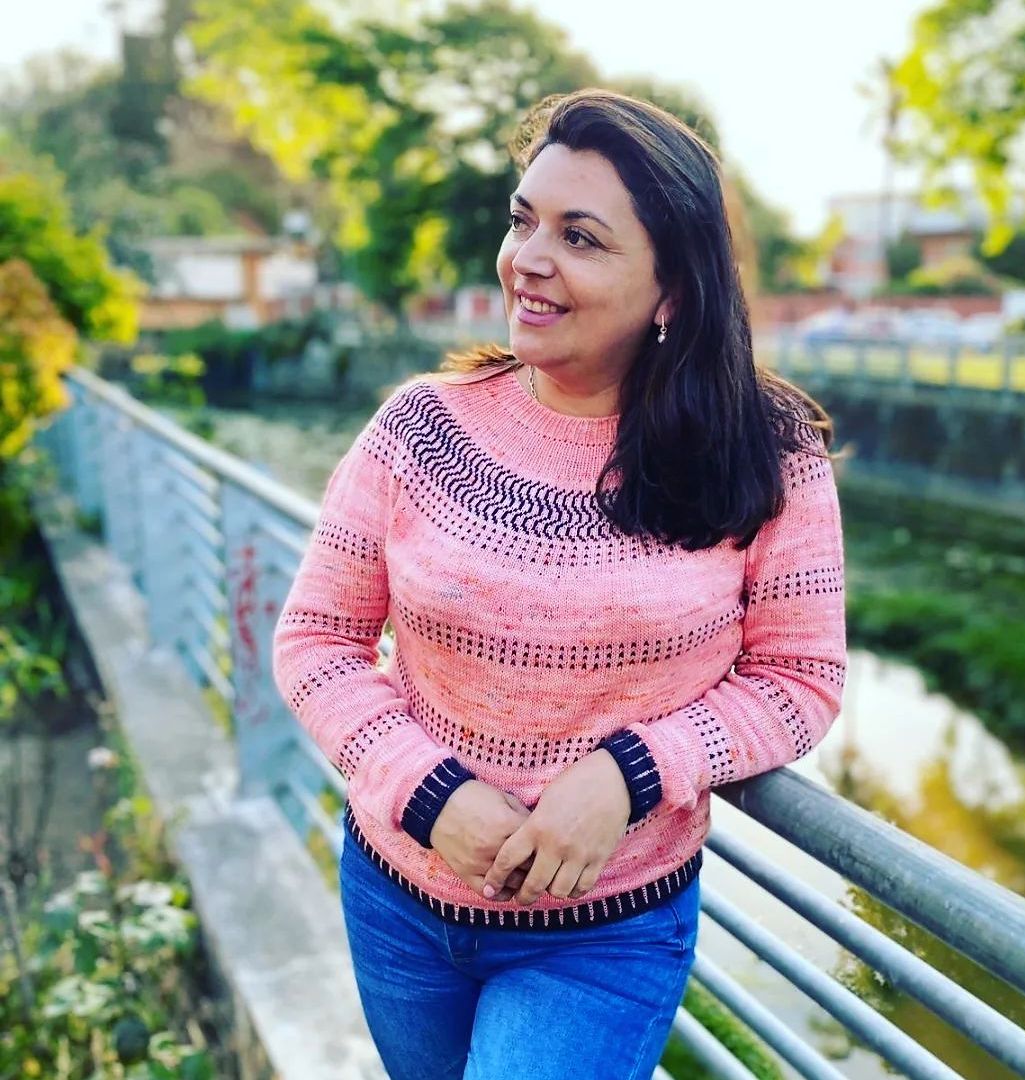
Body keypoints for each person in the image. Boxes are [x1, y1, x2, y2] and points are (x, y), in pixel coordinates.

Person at [271, 88, 846, 1080]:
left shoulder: (767, 452)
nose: (527, 259)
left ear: (673, 291)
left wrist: (633, 773)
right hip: (397, 903)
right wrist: (425, 790)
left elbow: (800, 680)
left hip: (603, 938)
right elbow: (316, 639)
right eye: (523, 220)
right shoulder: (421, 426)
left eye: (580, 237)